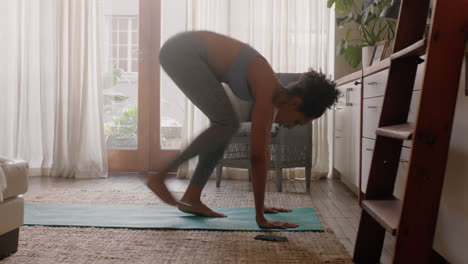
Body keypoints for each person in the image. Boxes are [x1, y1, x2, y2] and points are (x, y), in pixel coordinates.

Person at [147, 31, 339, 229]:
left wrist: (261, 206)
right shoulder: (267, 87)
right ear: (295, 102)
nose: (291, 126)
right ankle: (160, 175)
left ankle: (192, 197)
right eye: (298, 121)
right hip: (181, 51)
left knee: (225, 125)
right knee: (226, 123)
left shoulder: (270, 93)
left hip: (185, 52)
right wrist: (260, 218)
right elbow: (258, 156)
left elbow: (260, 151)